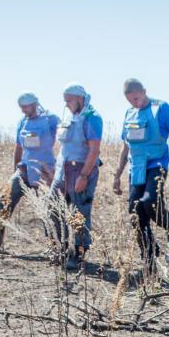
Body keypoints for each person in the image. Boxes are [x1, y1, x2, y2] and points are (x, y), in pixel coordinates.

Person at [112, 78, 169, 274]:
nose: (134, 103)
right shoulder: (129, 114)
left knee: (150, 201)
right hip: (136, 168)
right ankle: (149, 260)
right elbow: (125, 146)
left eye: (136, 98)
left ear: (144, 91)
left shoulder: (161, 108)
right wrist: (117, 174)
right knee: (136, 214)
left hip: (157, 164)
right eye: (130, 101)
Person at [0, 92, 59, 248]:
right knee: (5, 198)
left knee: (47, 208)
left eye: (26, 107)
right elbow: (18, 147)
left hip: (44, 170)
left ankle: (54, 246)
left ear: (35, 104)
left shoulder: (51, 119)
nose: (23, 110)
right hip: (24, 169)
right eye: (21, 107)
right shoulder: (22, 122)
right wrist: (15, 169)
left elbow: (63, 140)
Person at [50, 83, 103, 271]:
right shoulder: (68, 117)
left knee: (79, 213)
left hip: (81, 170)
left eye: (69, 101)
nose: (66, 104)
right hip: (62, 171)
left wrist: (84, 175)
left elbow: (94, 150)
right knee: (53, 208)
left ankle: (79, 253)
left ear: (79, 98)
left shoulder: (92, 118)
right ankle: (62, 249)